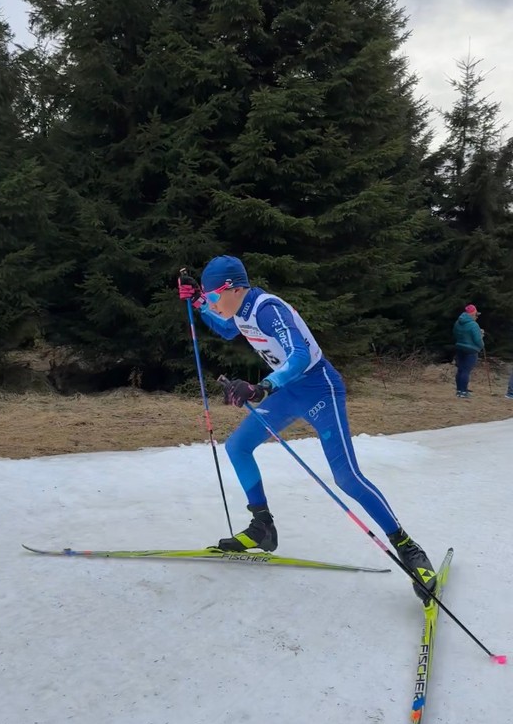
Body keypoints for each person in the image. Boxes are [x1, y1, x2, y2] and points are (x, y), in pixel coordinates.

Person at [178, 255, 436, 602]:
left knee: (347, 478)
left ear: (234, 288)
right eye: (207, 298)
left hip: (320, 389)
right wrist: (197, 302)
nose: (211, 303)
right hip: (290, 392)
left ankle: (407, 546)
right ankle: (262, 527)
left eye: (212, 297)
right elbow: (226, 329)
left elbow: (299, 355)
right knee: (237, 447)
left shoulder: (268, 309)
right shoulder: (239, 310)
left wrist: (262, 387)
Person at [453, 304, 484, 398]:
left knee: (460, 370)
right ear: (473, 314)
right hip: (471, 350)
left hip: (459, 347)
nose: (476, 317)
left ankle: (459, 390)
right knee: (466, 371)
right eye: (476, 315)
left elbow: (454, 333)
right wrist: (482, 342)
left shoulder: (458, 322)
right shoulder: (474, 325)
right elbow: (477, 340)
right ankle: (463, 392)